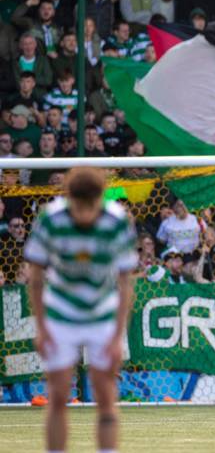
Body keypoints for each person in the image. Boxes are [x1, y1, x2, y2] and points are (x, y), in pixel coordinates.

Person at [25, 167, 137, 453]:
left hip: (102, 313)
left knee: (105, 396)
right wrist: (42, 327)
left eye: (91, 206)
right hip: (61, 312)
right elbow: (35, 277)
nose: (85, 214)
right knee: (58, 394)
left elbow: (125, 282)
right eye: (79, 206)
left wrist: (116, 336)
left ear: (101, 198)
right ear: (68, 198)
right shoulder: (50, 219)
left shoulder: (116, 221)